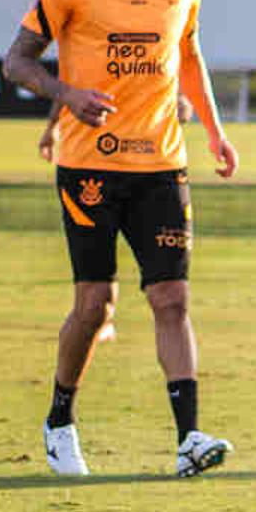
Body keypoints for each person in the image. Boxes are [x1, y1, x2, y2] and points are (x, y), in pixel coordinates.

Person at [4, 0, 239, 477]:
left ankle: (189, 438)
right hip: (89, 168)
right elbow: (16, 62)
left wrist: (215, 133)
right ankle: (60, 418)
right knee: (95, 305)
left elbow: (188, 56)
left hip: (163, 164)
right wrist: (66, 95)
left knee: (172, 297)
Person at [37, 92, 198, 345]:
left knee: (165, 281)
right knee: (96, 274)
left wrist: (180, 106)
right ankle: (99, 317)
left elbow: (180, 101)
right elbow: (70, 84)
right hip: (93, 167)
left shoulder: (154, 61)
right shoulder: (93, 62)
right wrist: (52, 127)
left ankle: (104, 317)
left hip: (149, 174)